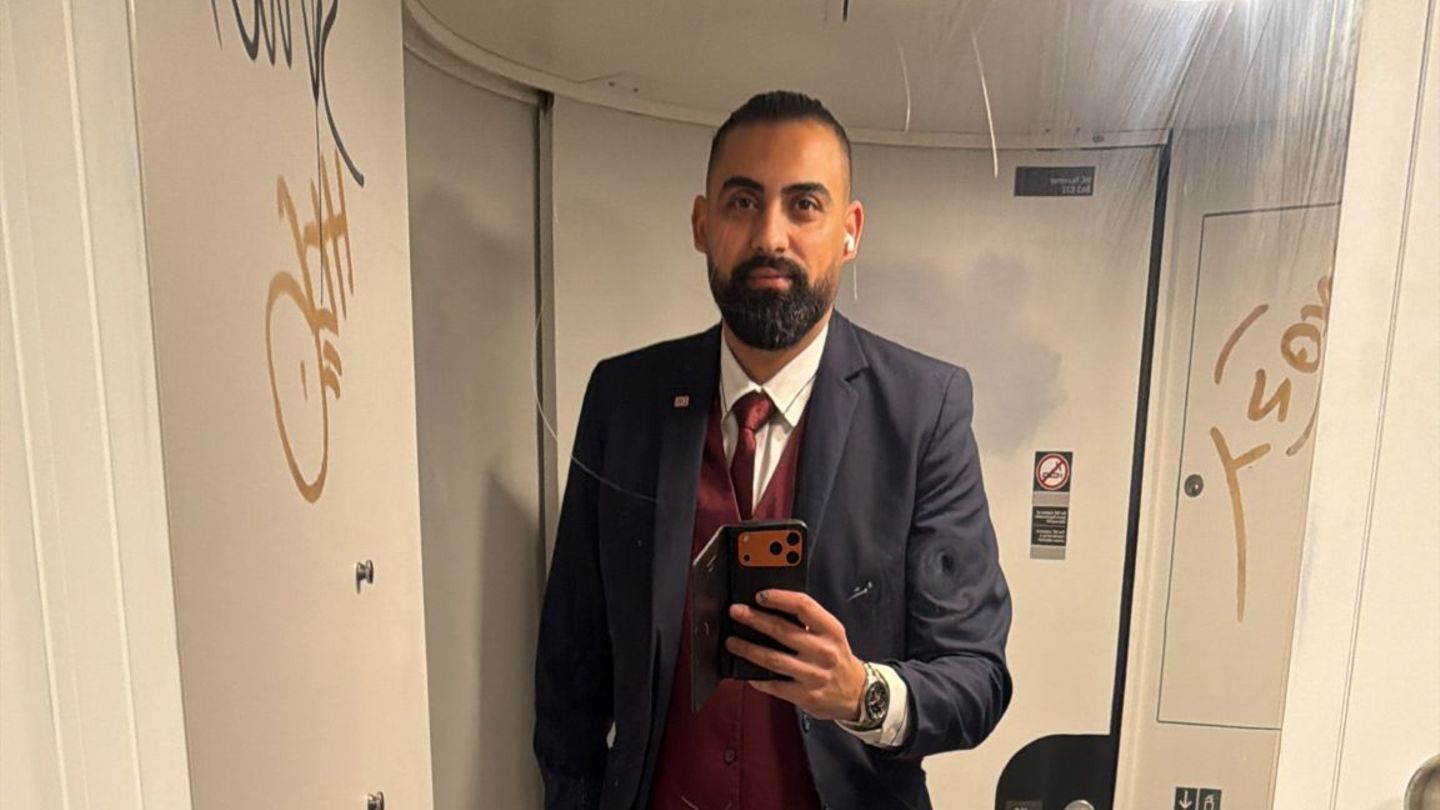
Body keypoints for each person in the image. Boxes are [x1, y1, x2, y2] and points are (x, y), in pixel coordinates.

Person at [534, 90, 1012, 810]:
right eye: (742, 202)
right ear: (702, 224)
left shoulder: (923, 412)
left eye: (804, 205)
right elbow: (570, 660)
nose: (770, 236)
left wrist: (861, 694)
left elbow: (976, 674)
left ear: (849, 230)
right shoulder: (624, 399)